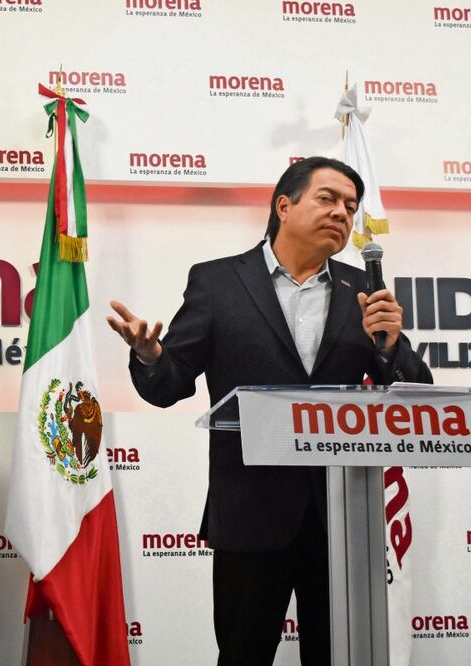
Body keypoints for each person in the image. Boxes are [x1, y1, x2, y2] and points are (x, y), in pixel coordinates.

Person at [106, 156, 433, 666]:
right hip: (250, 513)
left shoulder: (362, 292)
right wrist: (150, 356)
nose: (342, 214)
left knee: (339, 657)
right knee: (243, 655)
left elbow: (416, 395)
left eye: (350, 207)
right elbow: (170, 384)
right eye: (327, 199)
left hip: (342, 521)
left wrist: (390, 347)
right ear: (284, 205)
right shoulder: (217, 283)